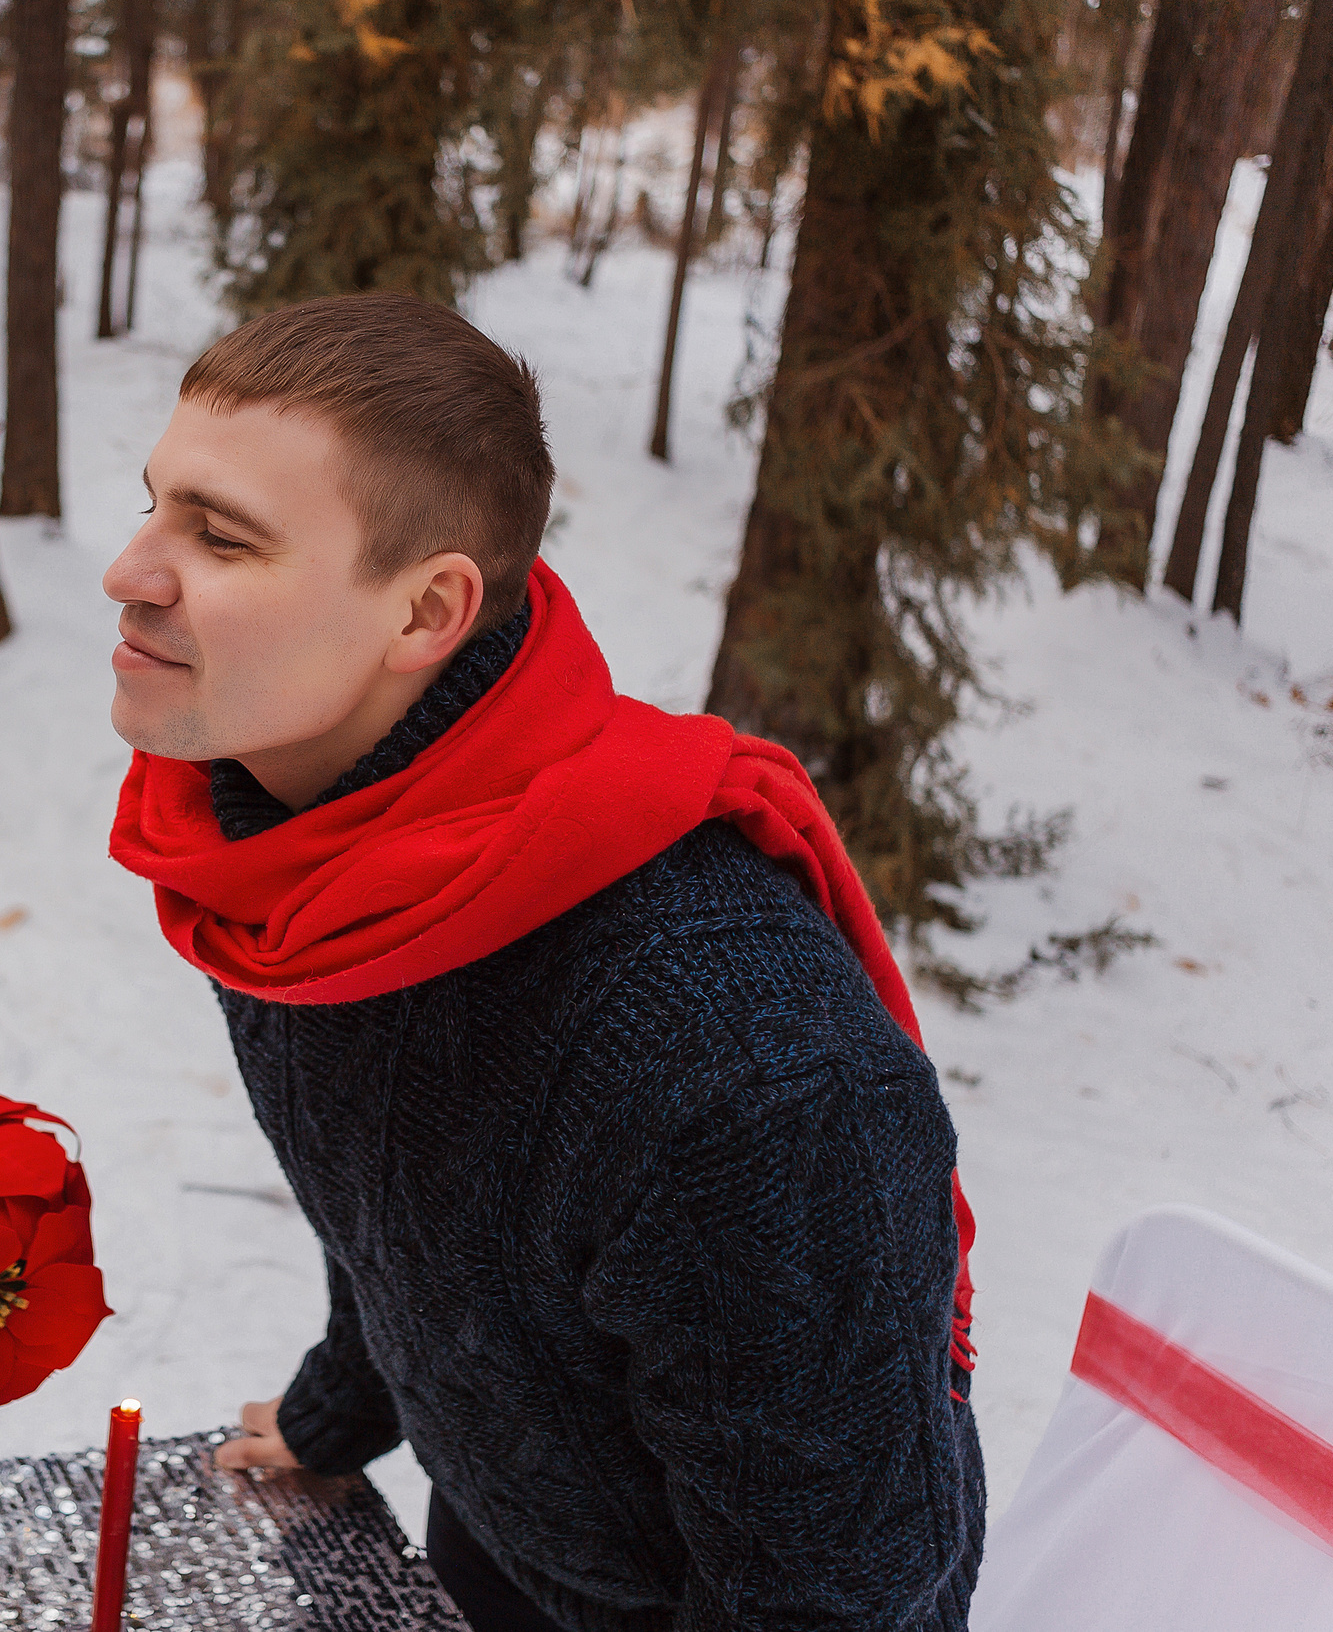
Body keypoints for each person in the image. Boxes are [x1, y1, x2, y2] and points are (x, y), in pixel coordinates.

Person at [105, 294, 984, 1632]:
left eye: (220, 535)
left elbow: (839, 1594)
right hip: (510, 1517)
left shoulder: (742, 1058)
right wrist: (342, 1400)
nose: (131, 566)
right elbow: (399, 1188)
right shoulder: (293, 866)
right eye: (156, 502)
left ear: (425, 611)